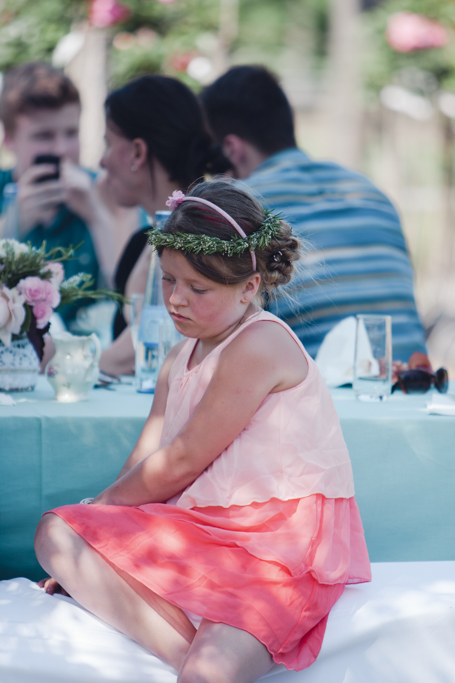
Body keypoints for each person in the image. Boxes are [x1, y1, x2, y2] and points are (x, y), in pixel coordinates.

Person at [34, 180, 371, 682]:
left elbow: (183, 460)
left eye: (198, 289)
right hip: (202, 531)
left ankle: (208, 665)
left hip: (275, 544)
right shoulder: (179, 356)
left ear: (249, 288)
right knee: (54, 533)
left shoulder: (261, 344)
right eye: (168, 280)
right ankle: (192, 655)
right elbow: (148, 455)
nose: (176, 300)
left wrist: (98, 515)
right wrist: (91, 531)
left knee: (207, 672)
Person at [201, 65, 428, 363]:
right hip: (416, 388)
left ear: (231, 148)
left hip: (320, 400)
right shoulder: (370, 192)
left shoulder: (240, 207)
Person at [98, 75, 231, 376]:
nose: (101, 162)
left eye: (108, 144)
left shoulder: (209, 241)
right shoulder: (140, 243)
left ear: (137, 153)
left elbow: (141, 354)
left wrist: (68, 365)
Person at [0, 61, 123, 327]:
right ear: (8, 138)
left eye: (71, 133)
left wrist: (96, 215)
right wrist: (14, 223)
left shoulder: (108, 189)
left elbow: (129, 293)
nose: (60, 149)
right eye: (43, 136)